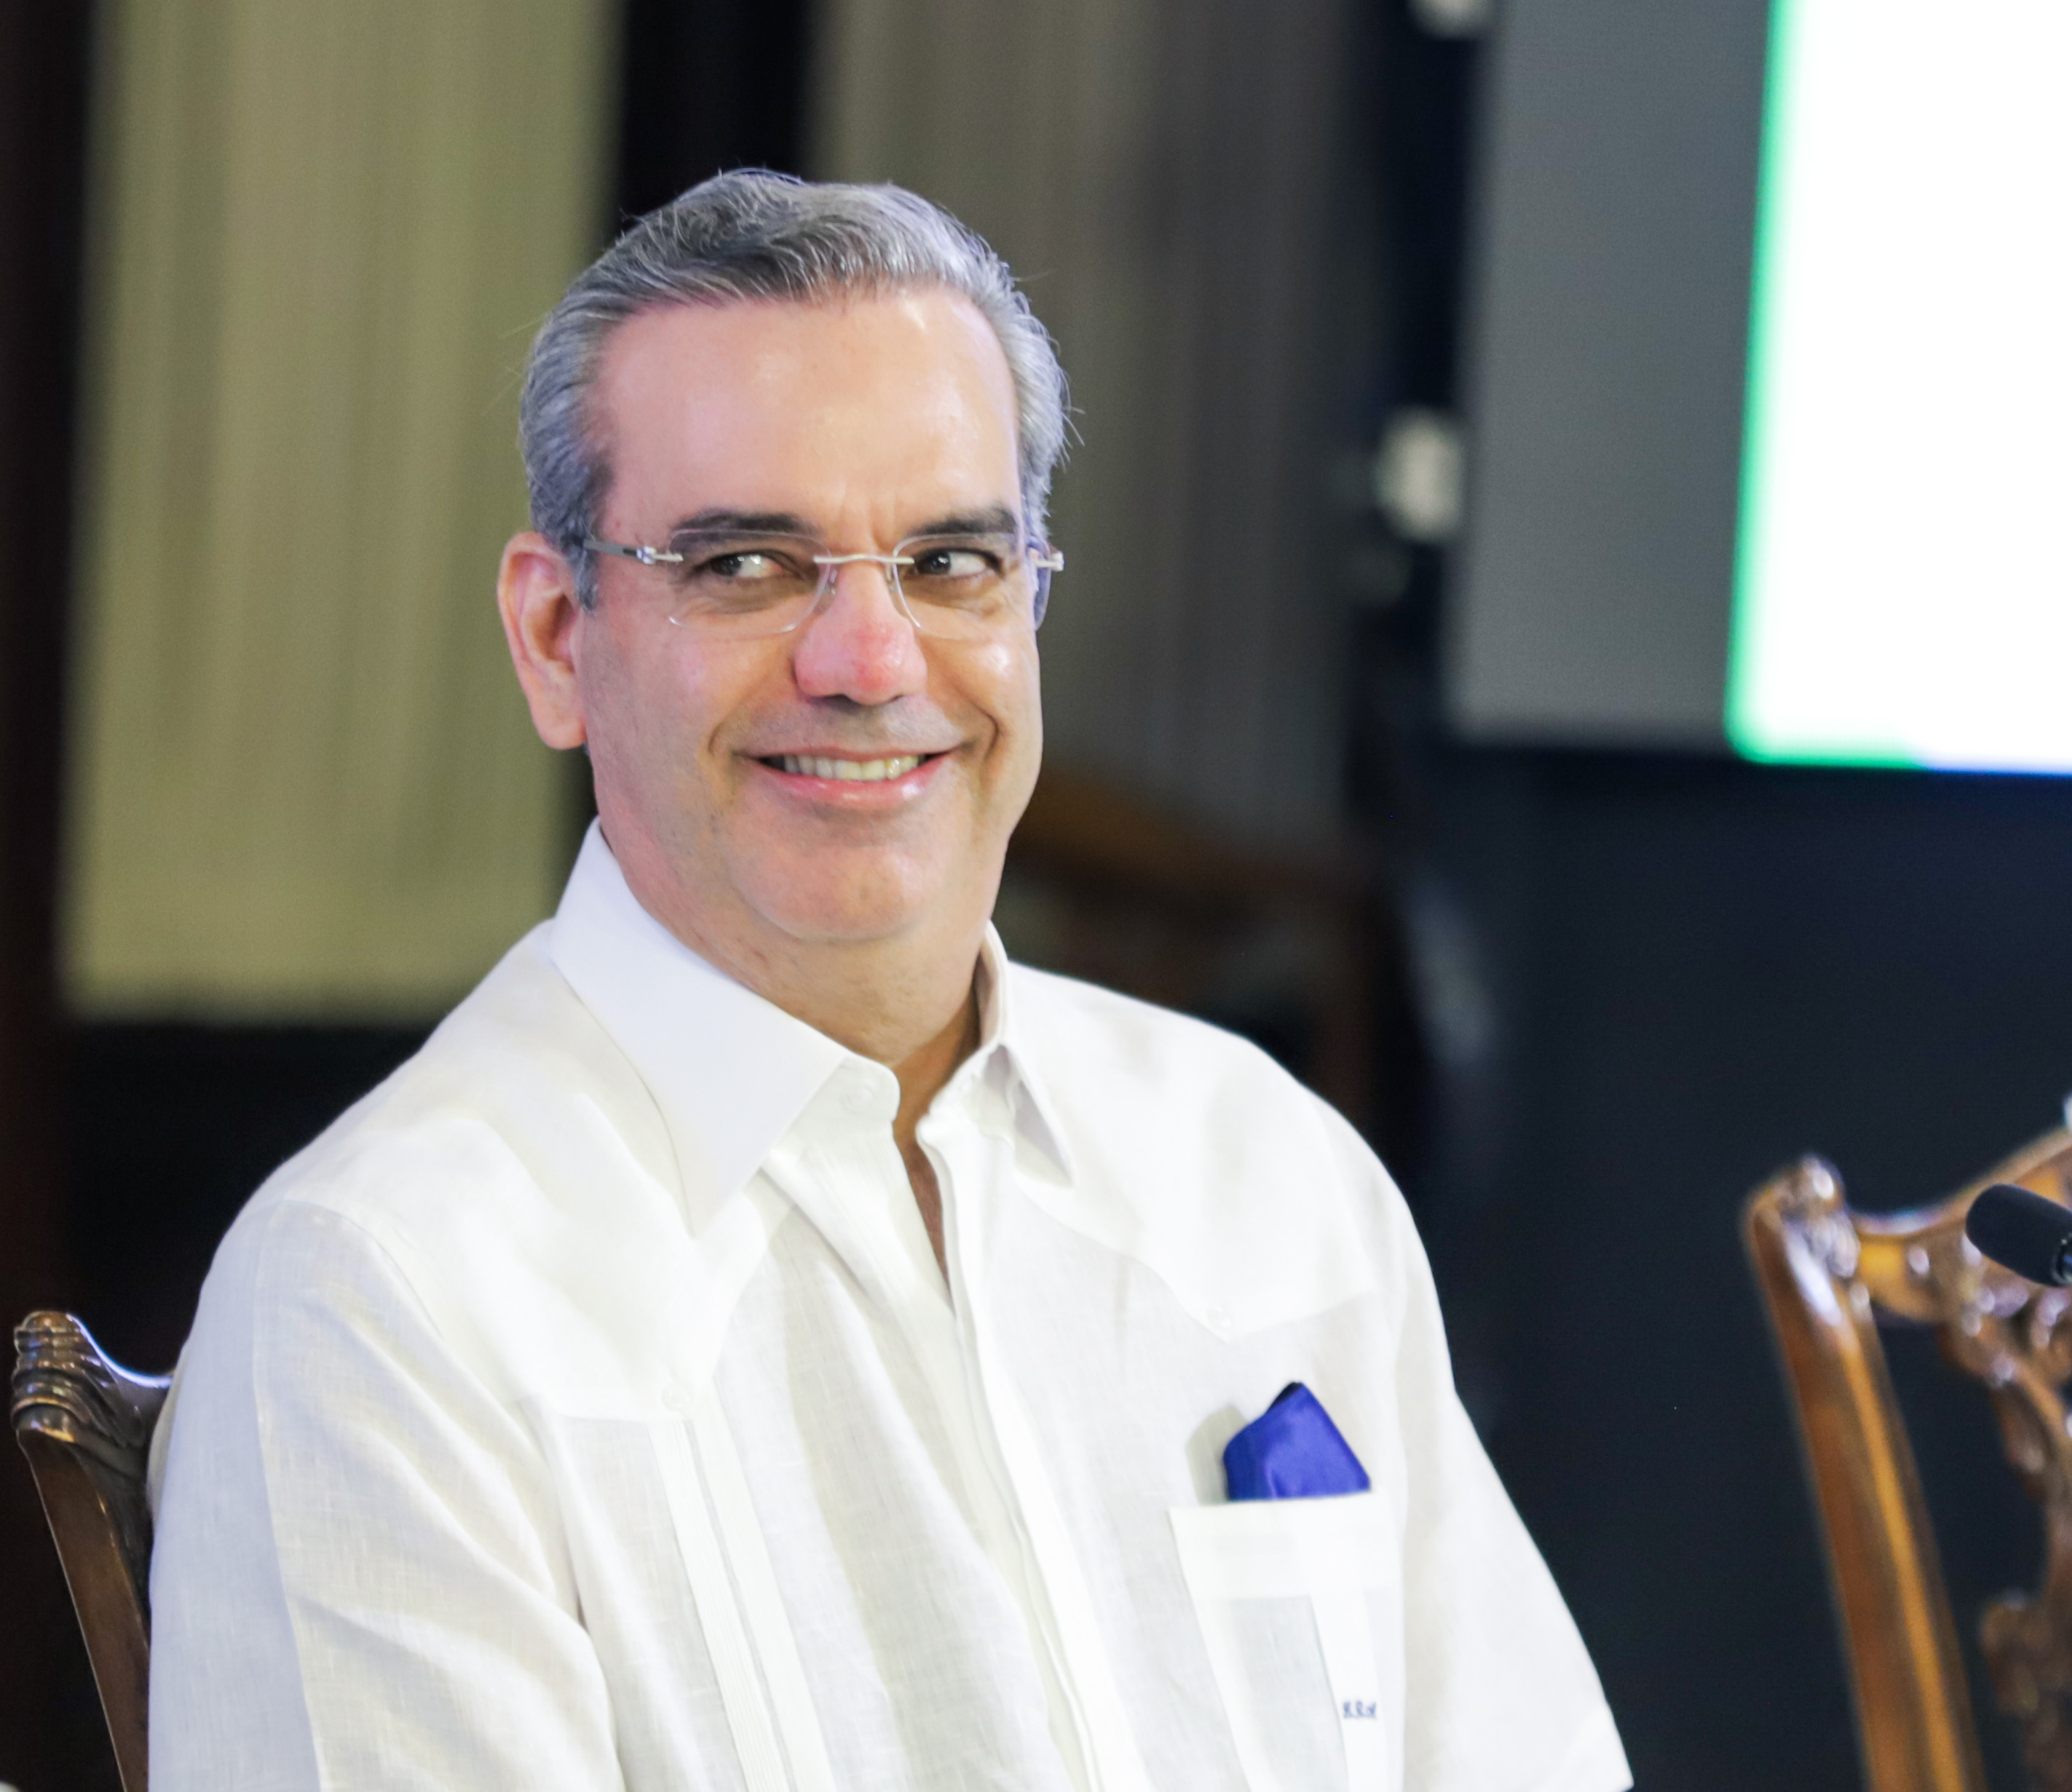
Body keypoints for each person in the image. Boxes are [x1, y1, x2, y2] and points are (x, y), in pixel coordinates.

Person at [149, 170, 1628, 1792]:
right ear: (557, 636)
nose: (869, 662)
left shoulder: (1265, 1176)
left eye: (949, 560)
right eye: (745, 563)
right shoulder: (388, 1298)